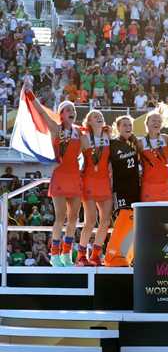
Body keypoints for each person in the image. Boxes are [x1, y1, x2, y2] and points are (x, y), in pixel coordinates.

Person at [30, 94, 82, 267]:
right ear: (61, 114)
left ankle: (67, 253)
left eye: (73, 109)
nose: (71, 111)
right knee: (60, 217)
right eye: (67, 109)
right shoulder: (55, 128)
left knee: (73, 217)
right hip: (60, 175)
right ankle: (54, 254)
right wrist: (30, 96)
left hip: (75, 175)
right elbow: (42, 114)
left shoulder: (79, 132)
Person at [76, 110, 112, 266]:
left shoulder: (108, 136)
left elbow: (111, 158)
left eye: (101, 117)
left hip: (104, 181)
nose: (99, 118)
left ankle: (96, 255)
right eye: (95, 117)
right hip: (89, 181)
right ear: (88, 121)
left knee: (105, 221)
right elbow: (74, 157)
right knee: (90, 220)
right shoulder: (84, 139)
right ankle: (81, 256)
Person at [137, 104, 168, 202]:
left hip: (165, 186)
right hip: (148, 187)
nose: (157, 123)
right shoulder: (140, 143)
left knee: (165, 217)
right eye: (153, 121)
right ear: (146, 123)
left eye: (159, 121)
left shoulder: (166, 138)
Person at [109, 115, 140, 211]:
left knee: (134, 218)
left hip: (135, 187)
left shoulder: (135, 142)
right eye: (124, 125)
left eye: (130, 125)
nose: (128, 128)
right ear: (118, 127)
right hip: (120, 188)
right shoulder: (112, 143)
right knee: (121, 217)